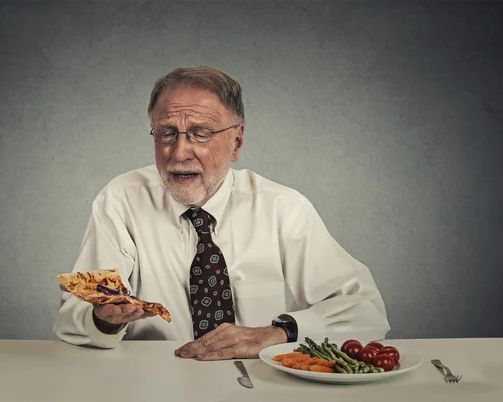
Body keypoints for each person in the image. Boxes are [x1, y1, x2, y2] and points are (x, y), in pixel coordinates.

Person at [52, 66, 390, 360]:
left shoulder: (282, 207)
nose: (179, 152)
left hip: (260, 385)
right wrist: (102, 319)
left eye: (201, 133)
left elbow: (367, 312)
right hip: (152, 382)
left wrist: (278, 333)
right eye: (167, 132)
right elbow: (75, 319)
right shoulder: (121, 199)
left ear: (237, 142)